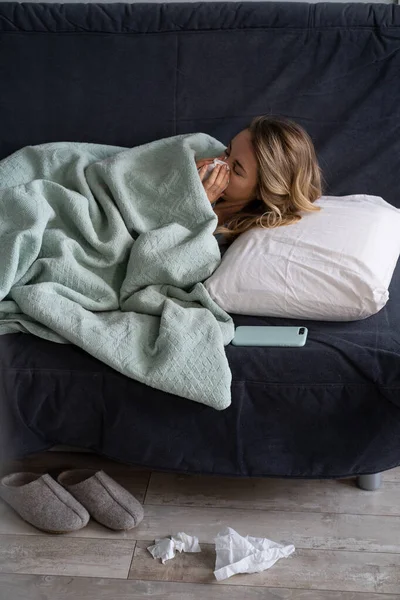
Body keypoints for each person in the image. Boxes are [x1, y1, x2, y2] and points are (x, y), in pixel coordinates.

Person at [196, 115, 322, 246]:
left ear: (263, 191)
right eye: (227, 151)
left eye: (236, 170)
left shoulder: (233, 236)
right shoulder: (203, 160)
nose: (219, 163)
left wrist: (198, 207)